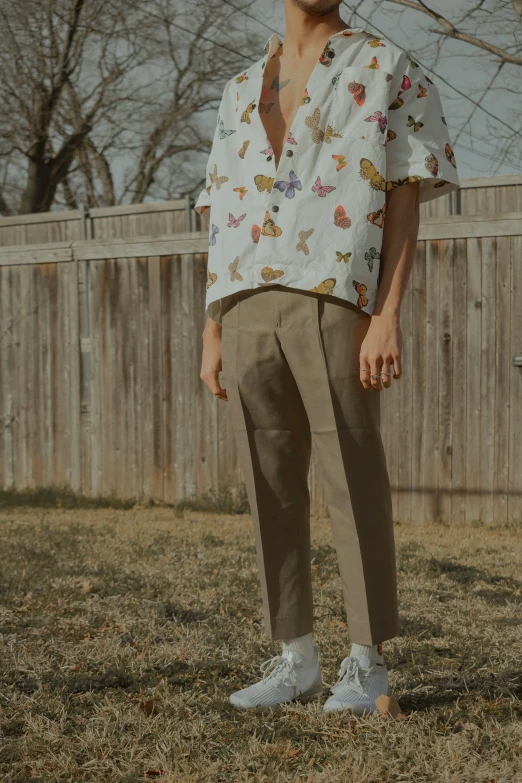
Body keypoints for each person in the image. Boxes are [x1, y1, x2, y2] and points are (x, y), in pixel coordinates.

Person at [195, 0, 460, 713]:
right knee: (269, 477)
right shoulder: (239, 87)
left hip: (336, 290)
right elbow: (222, 207)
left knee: (351, 470)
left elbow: (407, 192)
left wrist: (387, 313)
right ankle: (295, 656)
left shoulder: (385, 68)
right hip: (248, 295)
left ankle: (367, 658)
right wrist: (212, 325)